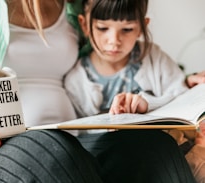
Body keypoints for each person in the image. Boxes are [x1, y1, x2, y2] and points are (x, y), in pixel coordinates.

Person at [0, 0, 196, 183]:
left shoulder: (74, 9)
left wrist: (183, 84)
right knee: (48, 148)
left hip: (71, 140)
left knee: (151, 148)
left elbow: (106, 63)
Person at [64, 0, 204, 182]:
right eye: (102, 28)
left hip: (177, 151)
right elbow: (81, 137)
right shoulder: (76, 81)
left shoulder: (153, 58)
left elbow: (182, 98)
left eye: (127, 29)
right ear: (85, 25)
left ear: (142, 27)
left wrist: (147, 104)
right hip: (121, 162)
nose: (114, 40)